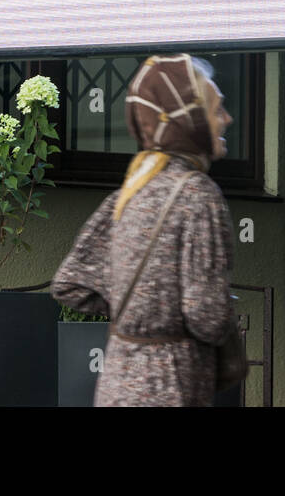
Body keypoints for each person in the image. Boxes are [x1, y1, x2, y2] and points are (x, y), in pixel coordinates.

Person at [51, 53, 237, 406]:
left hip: (116, 384)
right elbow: (208, 317)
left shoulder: (129, 193)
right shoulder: (198, 195)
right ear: (188, 121)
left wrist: (139, 311)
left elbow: (71, 285)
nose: (227, 119)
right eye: (216, 111)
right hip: (172, 388)